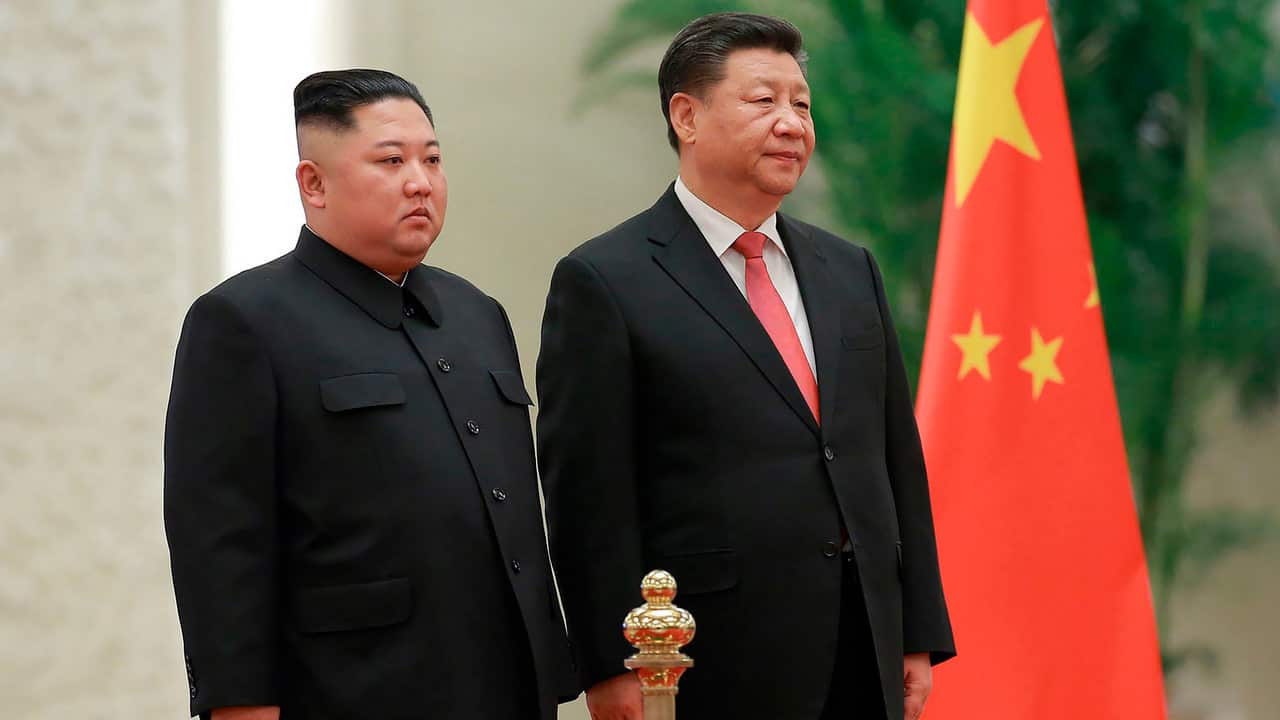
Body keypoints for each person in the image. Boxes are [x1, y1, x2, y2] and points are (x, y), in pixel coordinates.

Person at [537, 13, 954, 720]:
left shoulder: (849, 269)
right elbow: (587, 500)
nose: (792, 123)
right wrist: (614, 664)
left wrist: (917, 630)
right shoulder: (605, 279)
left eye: (802, 103)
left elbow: (892, 458)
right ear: (686, 115)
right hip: (709, 657)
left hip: (864, 640)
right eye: (764, 101)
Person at [164, 69, 576, 720]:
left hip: (508, 682)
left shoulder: (477, 313)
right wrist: (241, 703)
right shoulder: (245, 320)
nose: (420, 181)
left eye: (432, 159)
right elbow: (220, 541)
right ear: (314, 183)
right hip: (355, 687)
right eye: (391, 160)